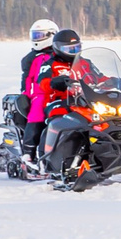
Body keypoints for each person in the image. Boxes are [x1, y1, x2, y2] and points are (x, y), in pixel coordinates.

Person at [28, 29, 91, 174]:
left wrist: (114, 80)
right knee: (56, 121)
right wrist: (54, 82)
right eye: (69, 49)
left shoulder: (84, 64)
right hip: (57, 100)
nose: (74, 52)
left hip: (82, 100)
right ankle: (45, 159)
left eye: (77, 48)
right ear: (57, 48)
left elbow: (98, 76)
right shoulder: (51, 64)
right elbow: (42, 81)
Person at [13, 20, 59, 160]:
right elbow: (27, 79)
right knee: (37, 114)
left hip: (63, 92)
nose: (37, 39)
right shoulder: (31, 58)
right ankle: (29, 151)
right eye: (35, 35)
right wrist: (26, 95)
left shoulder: (61, 55)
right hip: (40, 94)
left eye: (40, 35)